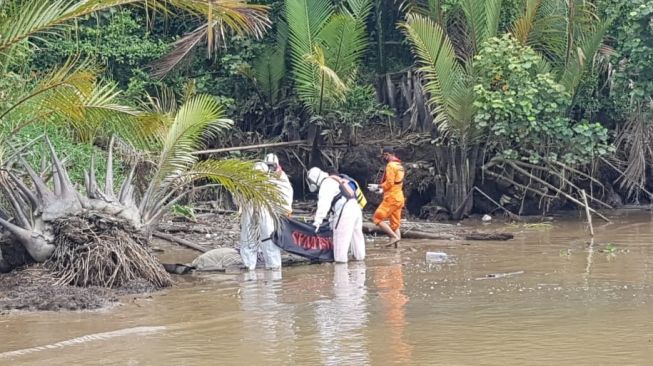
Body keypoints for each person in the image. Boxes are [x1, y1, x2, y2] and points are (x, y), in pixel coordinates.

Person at [306, 167, 365, 263]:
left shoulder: (326, 183)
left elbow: (323, 205)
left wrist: (317, 222)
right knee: (357, 239)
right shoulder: (336, 180)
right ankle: (360, 267)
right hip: (356, 208)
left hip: (345, 211)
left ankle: (341, 270)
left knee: (340, 244)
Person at [239, 162, 282, 270]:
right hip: (250, 209)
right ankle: (250, 265)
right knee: (249, 237)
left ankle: (272, 265)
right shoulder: (245, 184)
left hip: (264, 210)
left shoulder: (270, 183)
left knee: (267, 236)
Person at [369, 147, 405, 247]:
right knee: (395, 224)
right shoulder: (399, 165)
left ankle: (394, 237)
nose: (384, 158)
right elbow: (396, 183)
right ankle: (397, 250)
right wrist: (381, 190)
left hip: (391, 198)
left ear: (387, 154)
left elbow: (389, 183)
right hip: (399, 197)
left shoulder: (390, 166)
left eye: (384, 155)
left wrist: (378, 186)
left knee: (377, 218)